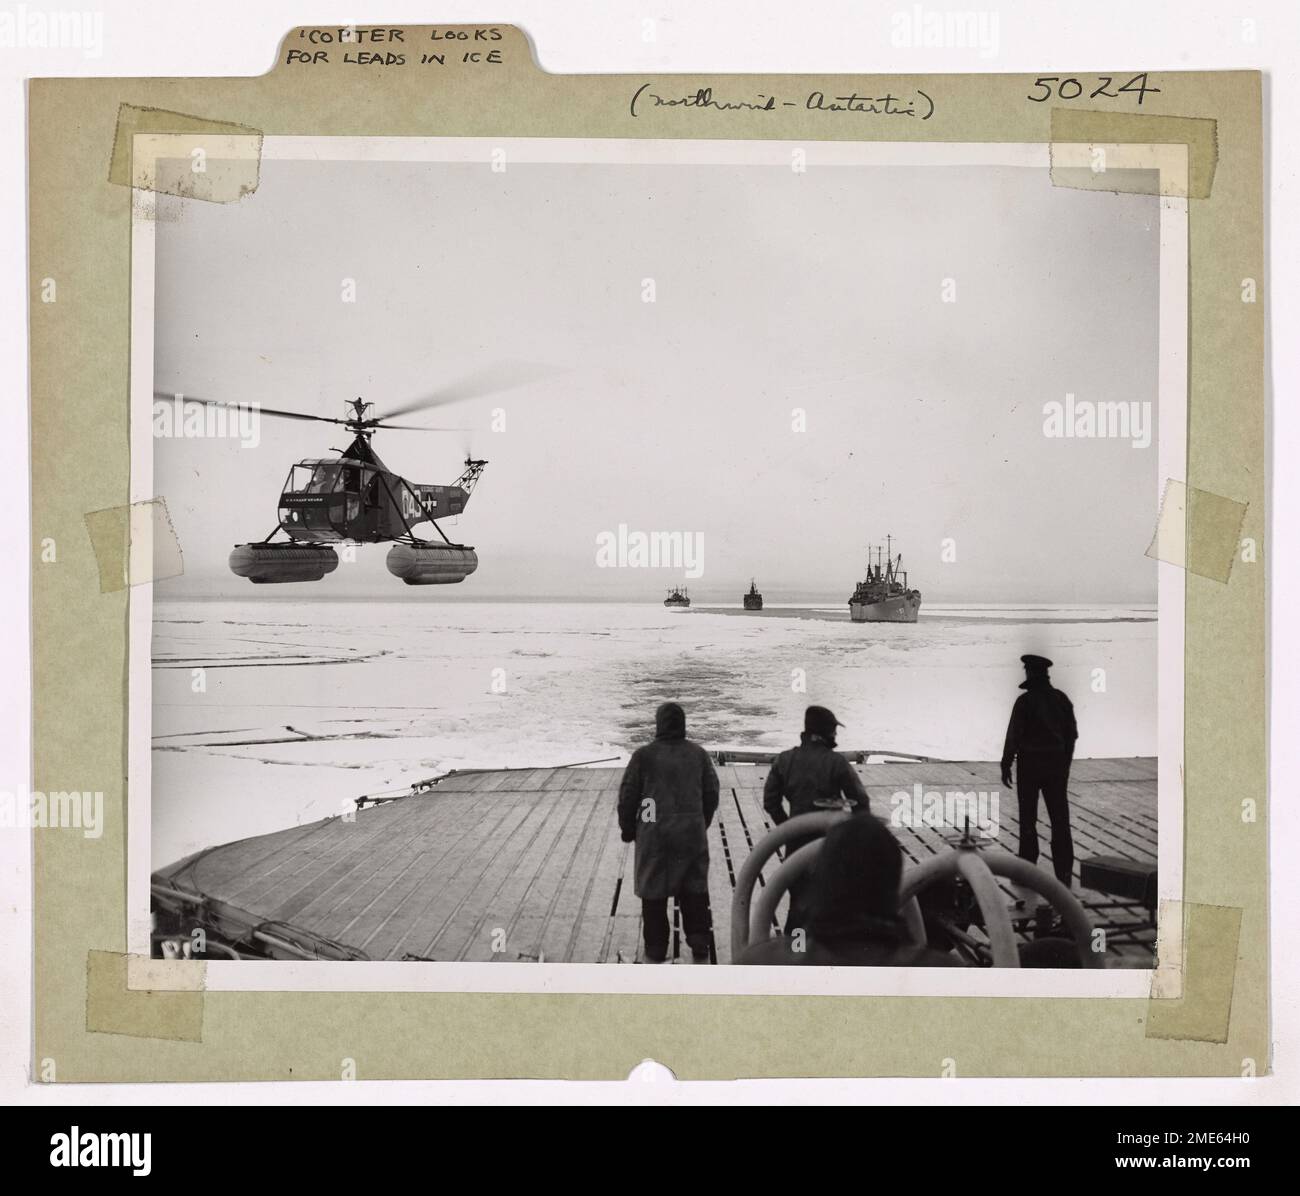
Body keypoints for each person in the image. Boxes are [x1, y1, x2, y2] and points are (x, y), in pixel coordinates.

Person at [737, 813, 962, 966]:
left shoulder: (758, 963)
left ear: (822, 881)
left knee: (796, 922)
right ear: (894, 889)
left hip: (800, 840)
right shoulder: (944, 973)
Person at [617, 702, 720, 963]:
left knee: (654, 896)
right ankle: (699, 945)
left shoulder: (643, 756)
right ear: (683, 725)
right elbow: (712, 793)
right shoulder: (698, 755)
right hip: (690, 834)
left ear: (658, 725)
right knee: (694, 891)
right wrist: (700, 822)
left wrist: (629, 830)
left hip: (654, 836)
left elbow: (627, 797)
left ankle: (656, 948)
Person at [762, 705, 869, 935]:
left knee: (799, 905)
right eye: (834, 731)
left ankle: (797, 953)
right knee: (833, 903)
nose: (837, 735)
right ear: (827, 733)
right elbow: (861, 802)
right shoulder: (837, 763)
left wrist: (788, 827)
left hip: (796, 845)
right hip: (831, 843)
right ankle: (827, 954)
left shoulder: (784, 760)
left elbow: (770, 801)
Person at [1001, 654, 1077, 887]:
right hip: (1056, 766)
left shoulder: (1024, 702)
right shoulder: (1061, 699)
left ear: (1030, 674)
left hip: (1030, 767)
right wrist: (1065, 764)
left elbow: (1013, 736)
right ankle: (1064, 873)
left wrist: (1006, 763)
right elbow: (1071, 736)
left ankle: (1027, 869)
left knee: (1028, 819)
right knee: (1060, 820)